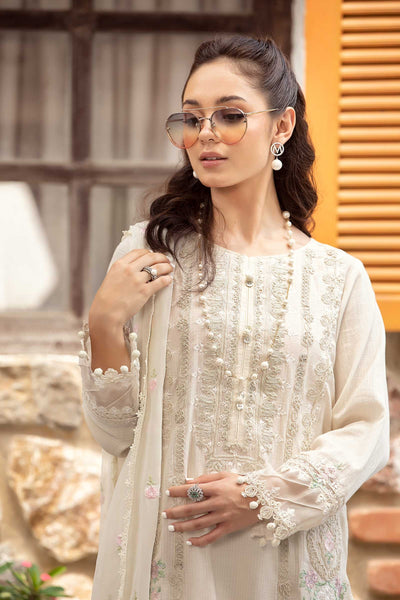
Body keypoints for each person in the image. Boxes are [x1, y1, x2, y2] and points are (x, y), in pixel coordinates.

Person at [78, 34, 390, 600]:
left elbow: (366, 430)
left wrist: (262, 496)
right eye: (192, 118)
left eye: (230, 115)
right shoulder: (151, 255)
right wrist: (103, 324)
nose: (205, 134)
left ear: (282, 126)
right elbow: (117, 435)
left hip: (286, 557)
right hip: (170, 558)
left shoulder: (338, 278)